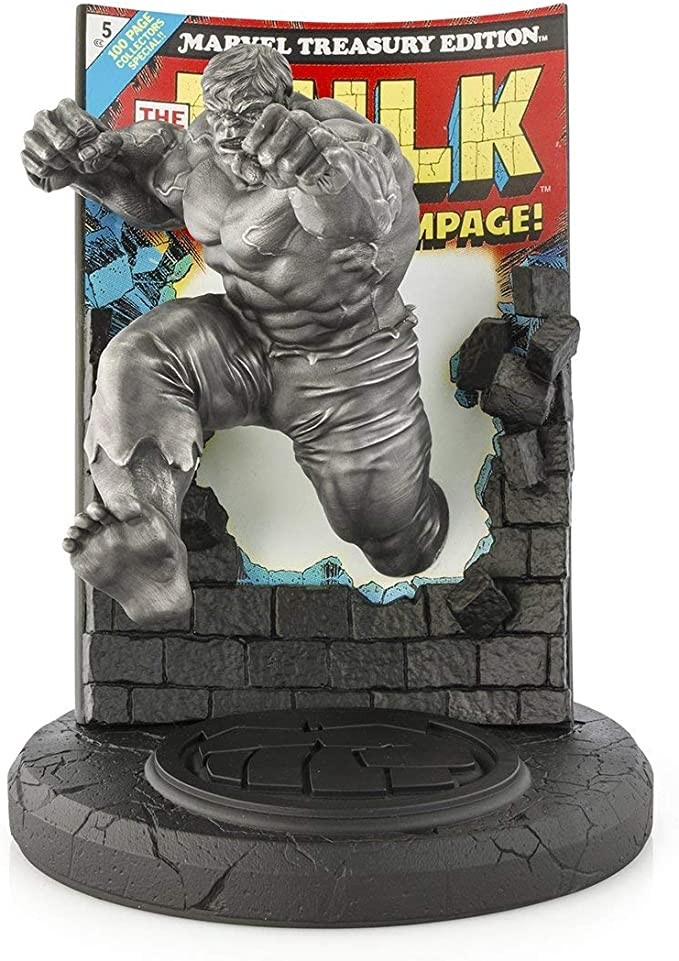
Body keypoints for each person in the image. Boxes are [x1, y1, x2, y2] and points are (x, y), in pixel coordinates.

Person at [21, 44, 448, 625]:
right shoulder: (200, 149)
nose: (226, 131)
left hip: (351, 365)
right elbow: (145, 191)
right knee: (137, 359)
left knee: (394, 544)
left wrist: (316, 171)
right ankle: (148, 535)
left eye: (244, 115)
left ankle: (408, 522)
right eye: (217, 113)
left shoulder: (349, 144)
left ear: (283, 101)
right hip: (242, 338)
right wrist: (80, 164)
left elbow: (363, 210)